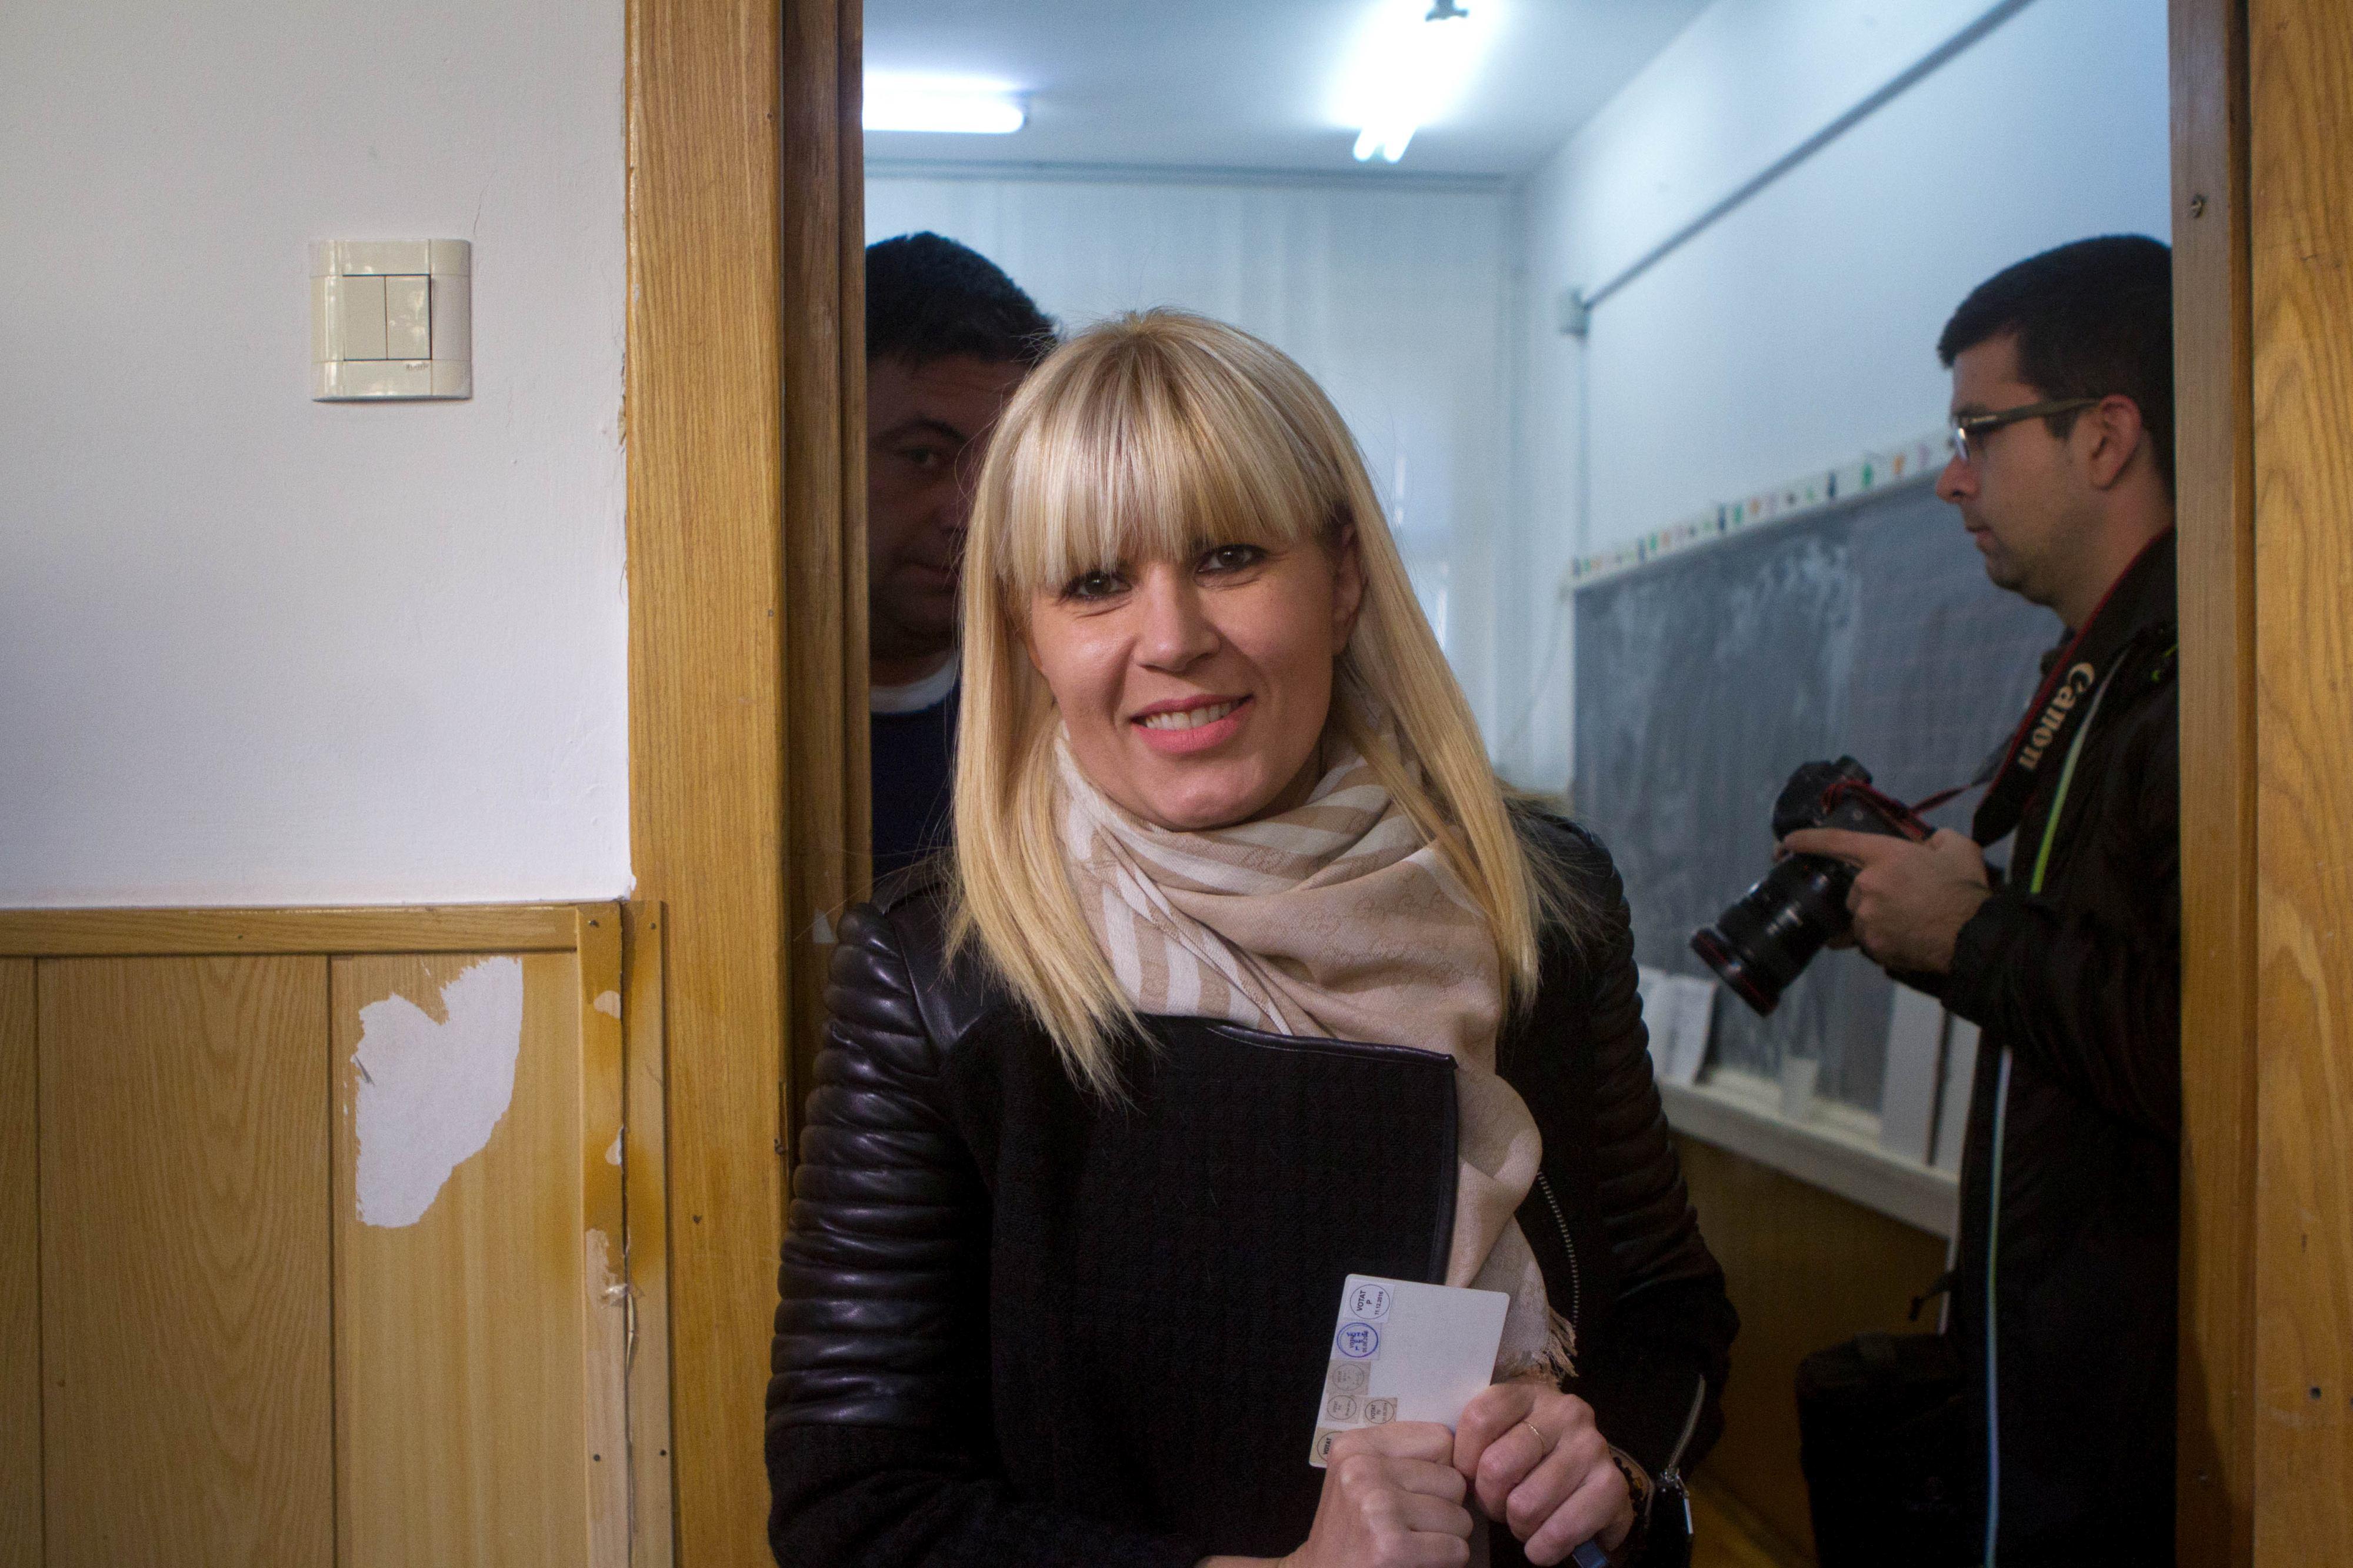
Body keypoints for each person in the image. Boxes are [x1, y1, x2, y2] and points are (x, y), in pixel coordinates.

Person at [768, 311, 1737, 1566]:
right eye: (1095, 583)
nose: (1172, 638)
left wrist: (1614, 1462)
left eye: (1229, 556)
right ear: (1024, 631)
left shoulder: (1541, 905)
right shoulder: (939, 980)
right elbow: (856, 1508)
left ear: (1341, 579)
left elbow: (1668, 1305)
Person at [1784, 235, 2179, 1566]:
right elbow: (2103, 982)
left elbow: (2209, 1051)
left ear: (2104, 436)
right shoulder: (2107, 672)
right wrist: (1945, 930)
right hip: (2059, 1366)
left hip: (2142, 1402)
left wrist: (1975, 934)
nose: (1953, 477)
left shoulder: (2192, 686)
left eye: (1978, 433)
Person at [865, 232, 1056, 880]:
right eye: (922, 456)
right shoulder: (741, 719)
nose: (969, 515)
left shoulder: (1064, 713)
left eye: (1002, 467)